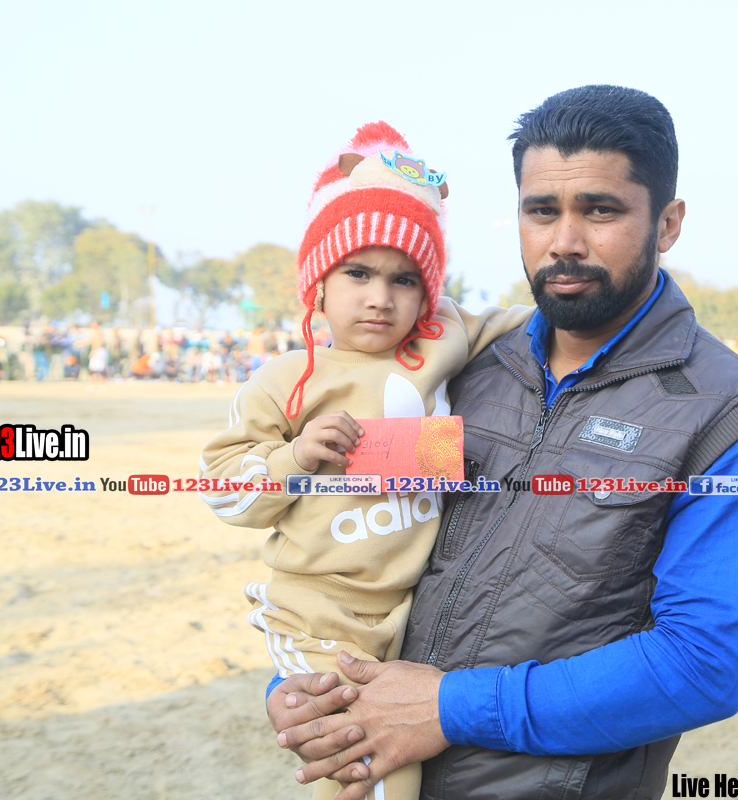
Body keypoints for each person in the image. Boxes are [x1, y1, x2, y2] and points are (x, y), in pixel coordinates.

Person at [267, 86, 738, 800]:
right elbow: (352, 538)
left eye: (600, 210)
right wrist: (298, 680)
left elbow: (702, 666)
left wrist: (448, 708)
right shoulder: (466, 367)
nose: (564, 241)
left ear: (667, 223)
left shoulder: (727, 413)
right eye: (541, 210)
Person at [198, 122, 533, 800]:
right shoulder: (286, 380)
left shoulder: (445, 337)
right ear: (317, 284)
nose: (381, 297)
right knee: (370, 766)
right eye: (357, 273)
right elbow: (223, 491)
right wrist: (294, 457)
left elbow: (539, 320)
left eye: (404, 279)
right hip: (318, 617)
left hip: (413, 616)